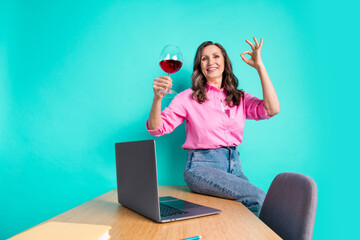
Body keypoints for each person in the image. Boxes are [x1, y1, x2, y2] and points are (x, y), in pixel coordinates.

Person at [147, 37, 280, 216]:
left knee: (247, 216)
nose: (211, 61)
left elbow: (272, 109)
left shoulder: (239, 97)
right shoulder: (187, 98)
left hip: (235, 168)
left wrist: (260, 67)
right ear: (200, 66)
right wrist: (157, 98)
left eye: (216, 56)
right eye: (204, 58)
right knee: (258, 197)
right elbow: (157, 128)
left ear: (225, 61)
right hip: (201, 167)